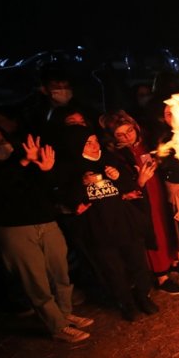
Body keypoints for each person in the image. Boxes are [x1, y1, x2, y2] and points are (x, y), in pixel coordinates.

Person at [0, 129, 94, 342]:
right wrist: (22, 162)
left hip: (47, 223)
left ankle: (65, 314)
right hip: (15, 231)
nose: (0, 144)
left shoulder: (26, 160)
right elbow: (1, 189)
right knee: (36, 282)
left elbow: (49, 192)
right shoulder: (12, 165)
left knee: (61, 272)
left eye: (2, 139)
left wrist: (47, 171)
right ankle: (57, 326)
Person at [59, 127, 159, 322]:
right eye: (88, 142)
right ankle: (126, 303)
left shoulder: (110, 159)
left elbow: (130, 188)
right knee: (113, 269)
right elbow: (70, 201)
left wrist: (118, 177)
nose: (95, 145)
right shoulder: (73, 167)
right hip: (97, 227)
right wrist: (82, 183)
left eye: (95, 140)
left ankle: (143, 297)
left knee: (137, 262)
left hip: (123, 221)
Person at [101, 111, 179, 296]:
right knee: (152, 230)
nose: (127, 136)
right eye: (120, 134)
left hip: (157, 190)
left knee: (165, 225)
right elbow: (120, 183)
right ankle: (160, 275)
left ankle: (172, 262)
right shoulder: (117, 154)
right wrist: (138, 181)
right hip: (141, 198)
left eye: (129, 131)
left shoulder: (145, 143)